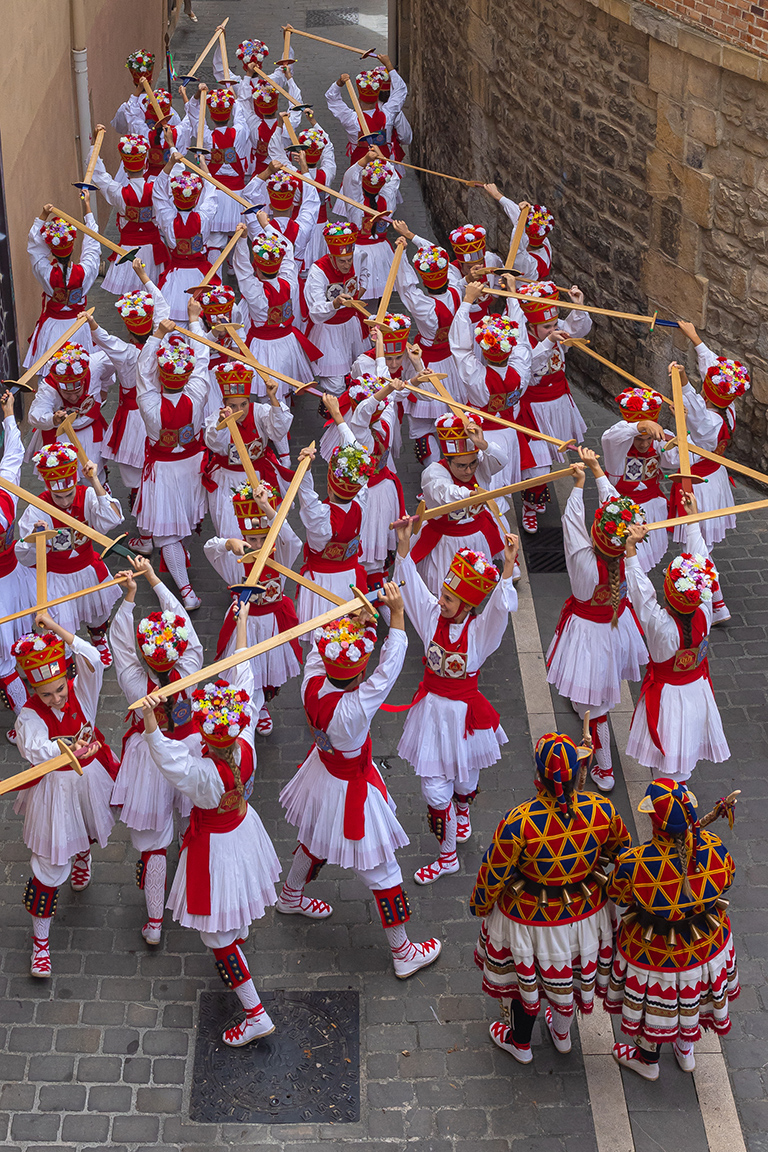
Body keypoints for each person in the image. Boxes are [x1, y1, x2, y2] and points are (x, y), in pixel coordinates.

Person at [140, 602, 283, 1046]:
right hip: (243, 828)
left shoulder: (204, 775)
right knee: (235, 902)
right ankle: (238, 936)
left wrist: (149, 719)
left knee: (215, 935)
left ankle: (255, 1012)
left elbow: (168, 760)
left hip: (216, 844)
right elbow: (245, 678)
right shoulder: (245, 744)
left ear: (207, 736)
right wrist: (241, 628)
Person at [277, 593, 442, 978]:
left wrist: (358, 625)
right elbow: (389, 671)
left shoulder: (312, 684)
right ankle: (403, 952)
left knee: (314, 838)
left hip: (322, 774)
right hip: (352, 788)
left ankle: (290, 895)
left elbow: (320, 653)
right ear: (357, 673)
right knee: (383, 871)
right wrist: (396, 615)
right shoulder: (354, 709)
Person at [471, 733, 631, 1063]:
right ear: (579, 775)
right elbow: (621, 851)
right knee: (568, 981)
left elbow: (495, 871)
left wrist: (481, 905)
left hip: (529, 919)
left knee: (522, 986)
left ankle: (521, 1043)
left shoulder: (519, 820)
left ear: (538, 776)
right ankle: (561, 1035)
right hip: (585, 916)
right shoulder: (601, 809)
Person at [394, 524, 518, 883]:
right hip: (432, 714)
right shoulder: (431, 616)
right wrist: (404, 548)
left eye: (448, 598)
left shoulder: (480, 633)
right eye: (443, 594)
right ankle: (447, 856)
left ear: (466, 605)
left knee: (466, 778)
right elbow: (413, 589)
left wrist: (507, 566)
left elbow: (498, 610)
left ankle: (462, 809)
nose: (440, 600)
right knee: (434, 790)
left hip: (465, 716)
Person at [602, 779, 739, 1080]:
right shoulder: (715, 850)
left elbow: (617, 895)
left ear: (653, 821)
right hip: (704, 947)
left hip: (654, 953)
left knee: (654, 1004)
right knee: (690, 999)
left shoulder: (633, 863)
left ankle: (648, 1060)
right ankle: (686, 1049)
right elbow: (727, 880)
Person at [12, 614, 120, 976]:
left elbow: (93, 656)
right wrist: (63, 749)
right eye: (46, 693)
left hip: (88, 776)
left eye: (59, 689)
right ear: (33, 691)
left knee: (88, 821)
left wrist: (57, 630)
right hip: (55, 788)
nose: (56, 698)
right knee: (48, 865)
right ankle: (40, 945)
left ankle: (83, 855)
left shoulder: (82, 690)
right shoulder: (29, 716)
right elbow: (34, 748)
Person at [109, 558, 203, 944]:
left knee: (154, 841)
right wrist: (154, 581)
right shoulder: (192, 666)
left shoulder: (135, 683)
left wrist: (130, 597)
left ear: (145, 657)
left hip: (150, 757)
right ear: (177, 652)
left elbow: (119, 644)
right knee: (189, 816)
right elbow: (185, 623)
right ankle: (190, 887)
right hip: (190, 749)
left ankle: (154, 922)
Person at [545, 448, 648, 792]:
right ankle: (589, 708)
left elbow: (571, 525)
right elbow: (619, 511)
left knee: (597, 705)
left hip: (590, 634)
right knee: (600, 683)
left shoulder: (583, 564)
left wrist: (578, 485)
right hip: (617, 627)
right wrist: (596, 470)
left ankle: (604, 769)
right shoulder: (632, 553)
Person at [623, 496, 730, 781]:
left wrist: (631, 549)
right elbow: (704, 562)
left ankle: (669, 813)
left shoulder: (661, 627)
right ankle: (679, 807)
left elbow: (640, 594)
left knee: (666, 765)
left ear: (669, 594)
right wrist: (692, 519)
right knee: (684, 758)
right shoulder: (705, 611)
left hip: (669, 698)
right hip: (697, 690)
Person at [204, 480, 302, 735]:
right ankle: (250, 709)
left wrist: (267, 508)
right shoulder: (237, 560)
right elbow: (209, 549)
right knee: (247, 667)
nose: (258, 545)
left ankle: (262, 707)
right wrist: (228, 544)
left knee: (266, 669)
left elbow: (291, 539)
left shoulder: (281, 556)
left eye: (263, 538)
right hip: (245, 621)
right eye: (251, 539)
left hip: (272, 621)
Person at [667, 340, 751, 625]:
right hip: (713, 479)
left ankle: (714, 604)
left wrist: (683, 383)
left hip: (699, 485)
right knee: (699, 544)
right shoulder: (729, 411)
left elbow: (697, 420)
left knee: (696, 545)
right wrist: (696, 341)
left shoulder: (710, 424)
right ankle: (714, 603)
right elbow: (715, 374)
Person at [16, 443, 123, 666]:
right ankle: (65, 660)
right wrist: (38, 537)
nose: (65, 502)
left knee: (97, 613)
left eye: (69, 494)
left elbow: (112, 520)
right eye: (58, 496)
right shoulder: (37, 508)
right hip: (55, 577)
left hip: (86, 569)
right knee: (59, 624)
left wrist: (94, 480)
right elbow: (25, 555)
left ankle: (98, 639)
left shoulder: (87, 495)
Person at [132, 304, 210, 609]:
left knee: (167, 532)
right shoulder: (198, 393)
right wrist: (193, 321)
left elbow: (142, 371)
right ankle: (183, 574)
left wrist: (157, 336)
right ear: (186, 374)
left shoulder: (149, 403)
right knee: (184, 524)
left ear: (162, 377)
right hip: (191, 466)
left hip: (163, 470)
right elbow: (202, 358)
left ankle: (186, 591)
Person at [81, 265, 170, 504]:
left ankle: (142, 517)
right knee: (159, 461)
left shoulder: (128, 353)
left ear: (130, 333)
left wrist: (92, 323)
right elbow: (162, 304)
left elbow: (107, 341)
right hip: (161, 410)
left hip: (133, 417)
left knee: (134, 472)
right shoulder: (164, 343)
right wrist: (143, 277)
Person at [516, 280, 591, 534]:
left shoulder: (556, 332)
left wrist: (578, 306)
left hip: (558, 403)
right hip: (534, 408)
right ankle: (529, 503)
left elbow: (577, 330)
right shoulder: (522, 342)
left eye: (554, 325)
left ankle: (535, 497)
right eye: (546, 327)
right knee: (538, 464)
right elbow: (529, 367)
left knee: (552, 456)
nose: (553, 330)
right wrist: (549, 343)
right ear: (531, 325)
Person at [450, 280, 533, 504]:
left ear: (484, 352)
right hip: (509, 432)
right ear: (510, 348)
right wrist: (512, 295)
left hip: (481, 437)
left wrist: (467, 300)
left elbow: (460, 350)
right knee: (502, 489)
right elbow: (523, 339)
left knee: (485, 488)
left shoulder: (478, 379)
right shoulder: (522, 372)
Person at [410, 414, 507, 597]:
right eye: (461, 466)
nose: (469, 471)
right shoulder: (434, 472)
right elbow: (444, 492)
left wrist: (483, 444)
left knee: (475, 591)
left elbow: (502, 461)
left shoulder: (481, 465)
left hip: (477, 536)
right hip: (446, 542)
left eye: (472, 464)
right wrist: (471, 494)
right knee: (444, 591)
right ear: (447, 460)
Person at [202, 361, 293, 551]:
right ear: (224, 404)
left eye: (243, 404)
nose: (239, 411)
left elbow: (279, 430)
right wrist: (222, 423)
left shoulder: (260, 411)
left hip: (259, 478)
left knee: (264, 530)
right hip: (227, 480)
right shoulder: (215, 418)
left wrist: (273, 399)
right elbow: (214, 443)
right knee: (230, 529)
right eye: (233, 406)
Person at [394, 238, 463, 460]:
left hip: (425, 364)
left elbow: (406, 289)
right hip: (452, 364)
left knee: (422, 426)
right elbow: (446, 265)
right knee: (453, 415)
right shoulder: (456, 292)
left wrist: (401, 255)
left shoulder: (426, 307)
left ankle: (431, 471)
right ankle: (457, 464)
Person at [232, 225, 321, 398]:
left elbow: (242, 270)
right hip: (288, 343)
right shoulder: (290, 283)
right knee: (284, 392)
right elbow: (287, 249)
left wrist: (243, 240)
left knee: (267, 395)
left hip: (262, 346)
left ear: (257, 269)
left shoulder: (256, 292)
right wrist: (267, 226)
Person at [296, 442, 372, 625]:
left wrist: (305, 469)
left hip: (321, 586)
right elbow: (363, 485)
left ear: (329, 488)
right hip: (351, 580)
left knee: (319, 639)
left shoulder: (320, 520)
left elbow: (306, 496)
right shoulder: (361, 505)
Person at [0, 389, 37, 744]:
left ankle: (27, 722)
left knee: (3, 663)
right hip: (16, 576)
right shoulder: (5, 491)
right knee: (26, 635)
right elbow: (15, 453)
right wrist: (9, 415)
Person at [89, 131, 169, 293]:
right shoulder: (156, 190)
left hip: (127, 250)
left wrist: (95, 144)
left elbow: (99, 175)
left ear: (124, 169)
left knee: (129, 297)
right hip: (153, 250)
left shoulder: (118, 193)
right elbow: (171, 175)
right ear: (146, 166)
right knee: (153, 292)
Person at [600, 387, 670, 573]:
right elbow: (608, 438)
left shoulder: (658, 439)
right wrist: (641, 425)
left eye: (648, 438)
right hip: (624, 513)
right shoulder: (617, 446)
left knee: (641, 563)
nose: (645, 444)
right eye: (639, 438)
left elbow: (676, 458)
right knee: (629, 562)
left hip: (652, 508)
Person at [26, 341, 115, 485]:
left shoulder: (94, 365)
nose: (73, 398)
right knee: (61, 483)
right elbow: (34, 415)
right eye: (67, 394)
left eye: (76, 392)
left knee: (94, 478)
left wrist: (105, 386)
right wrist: (53, 419)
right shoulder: (48, 388)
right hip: (61, 438)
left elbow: (115, 356)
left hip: (90, 431)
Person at [25, 199, 100, 366]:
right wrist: (87, 207)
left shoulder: (46, 272)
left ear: (52, 251)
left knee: (52, 371)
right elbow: (92, 247)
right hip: (79, 326)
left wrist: (44, 215)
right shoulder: (85, 272)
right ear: (72, 249)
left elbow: (35, 249)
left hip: (52, 328)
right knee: (80, 369)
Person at [152, 150, 218, 323]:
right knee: (202, 320)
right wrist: (203, 165)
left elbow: (158, 191)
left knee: (172, 320)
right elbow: (211, 190)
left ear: (174, 197)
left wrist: (170, 164)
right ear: (196, 199)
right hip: (201, 276)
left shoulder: (167, 218)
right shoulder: (204, 216)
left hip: (175, 275)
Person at [305, 221, 369, 396]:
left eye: (349, 260)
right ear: (332, 257)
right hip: (329, 331)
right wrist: (334, 304)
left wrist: (362, 287)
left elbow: (364, 269)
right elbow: (315, 308)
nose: (347, 265)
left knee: (360, 376)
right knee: (336, 386)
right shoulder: (318, 271)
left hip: (352, 326)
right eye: (342, 261)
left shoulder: (356, 256)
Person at [340, 153, 400, 300]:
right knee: (380, 293)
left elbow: (349, 179)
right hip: (382, 251)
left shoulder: (356, 204)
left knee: (359, 290)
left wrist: (365, 159)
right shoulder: (387, 200)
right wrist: (382, 158)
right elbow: (394, 178)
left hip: (359, 251)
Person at [325, 57, 407, 163]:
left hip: (359, 167)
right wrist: (389, 66)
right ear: (377, 98)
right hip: (384, 166)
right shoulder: (388, 115)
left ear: (358, 99)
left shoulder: (351, 119)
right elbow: (400, 91)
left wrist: (340, 83)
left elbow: (332, 99)